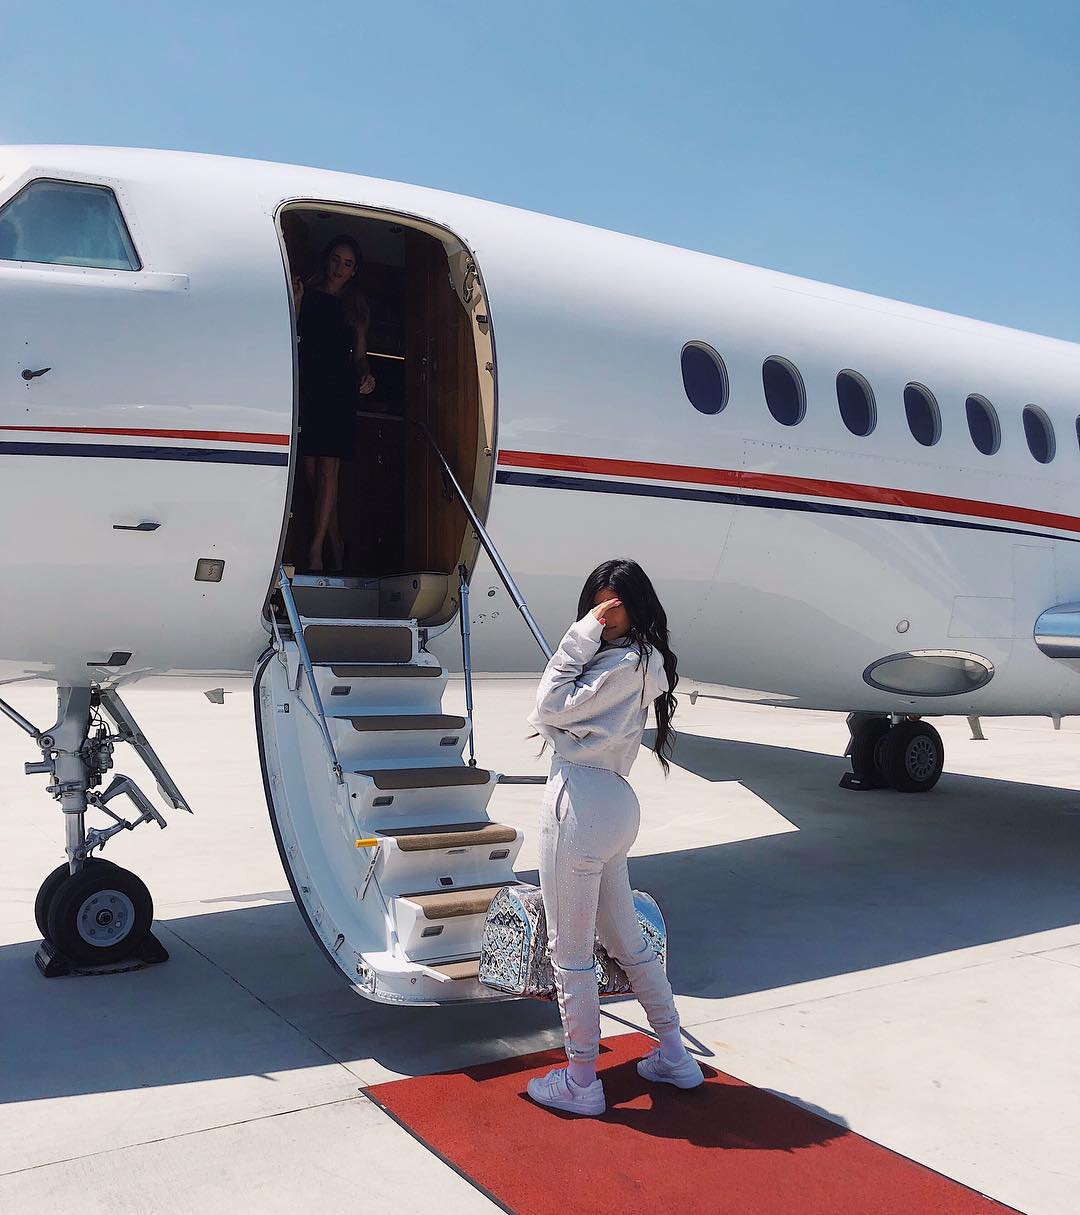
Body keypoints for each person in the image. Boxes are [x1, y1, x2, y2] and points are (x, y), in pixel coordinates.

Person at [525, 558, 704, 1116]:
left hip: (579, 803)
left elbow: (547, 705)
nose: (603, 617)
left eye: (613, 607)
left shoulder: (617, 665)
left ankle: (582, 1081)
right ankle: (673, 1052)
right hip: (614, 802)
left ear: (632, 607)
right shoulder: (644, 663)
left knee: (570, 951)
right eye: (596, 606)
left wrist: (579, 634)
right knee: (625, 938)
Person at [296, 235, 376, 573]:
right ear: (326, 259)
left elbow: (360, 354)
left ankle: (316, 550)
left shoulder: (355, 307)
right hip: (308, 385)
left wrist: (367, 374)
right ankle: (336, 541)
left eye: (347, 264)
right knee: (311, 471)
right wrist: (297, 300)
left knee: (329, 469)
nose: (339, 268)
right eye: (335, 260)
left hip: (339, 388)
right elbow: (293, 331)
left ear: (355, 270)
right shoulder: (307, 292)